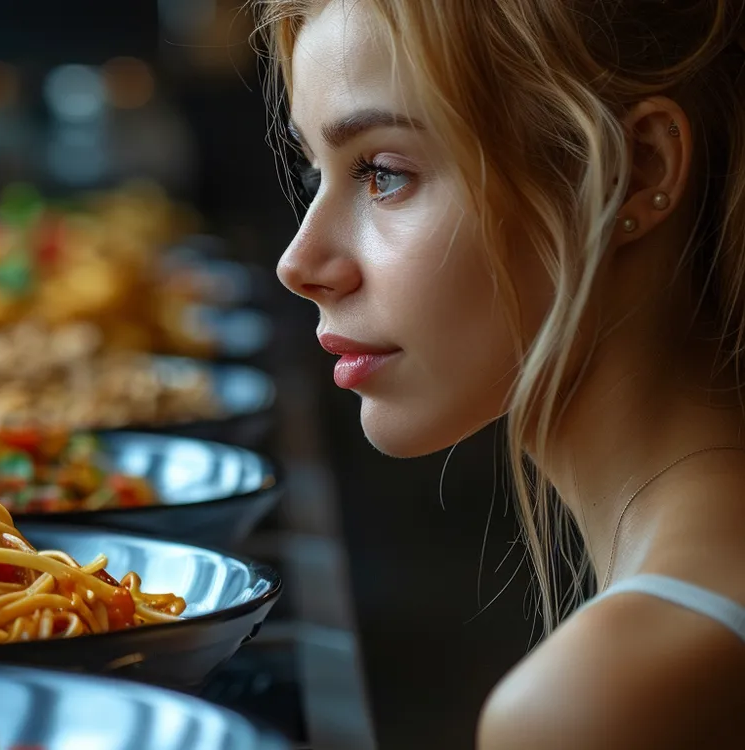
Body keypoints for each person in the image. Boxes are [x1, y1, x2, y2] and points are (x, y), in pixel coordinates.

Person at [263, 0, 745, 746]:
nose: (299, 264)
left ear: (634, 166)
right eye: (313, 169)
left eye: (383, 173)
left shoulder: (599, 702)